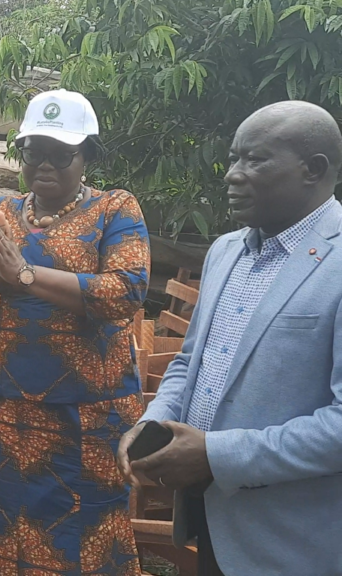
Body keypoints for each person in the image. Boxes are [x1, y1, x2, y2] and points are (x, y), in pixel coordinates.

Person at [117, 101, 342, 576]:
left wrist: (217, 455)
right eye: (234, 158)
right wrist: (154, 422)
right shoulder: (226, 251)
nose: (232, 175)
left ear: (314, 170)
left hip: (295, 541)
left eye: (255, 160)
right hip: (213, 521)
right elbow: (190, 361)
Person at [0, 89, 150, 575]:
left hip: (89, 414)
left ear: (89, 156)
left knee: (88, 531)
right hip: (13, 413)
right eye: (34, 151)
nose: (45, 164)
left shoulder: (115, 210)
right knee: (10, 529)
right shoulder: (0, 213)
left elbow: (125, 291)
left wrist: (25, 275)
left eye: (61, 153)